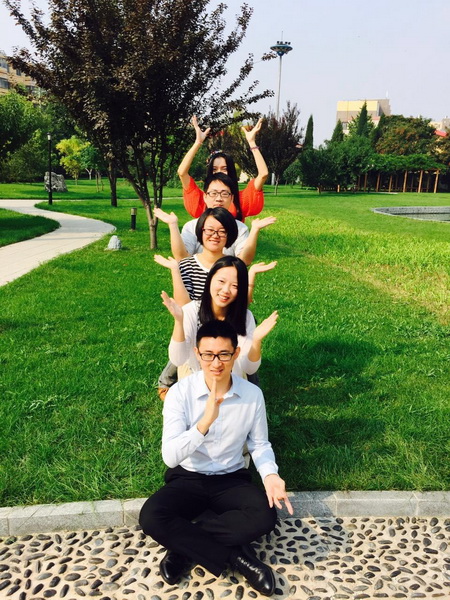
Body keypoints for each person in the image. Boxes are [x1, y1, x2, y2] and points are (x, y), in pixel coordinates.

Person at [139, 319, 293, 596]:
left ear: (235, 354)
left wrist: (270, 475)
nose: (216, 363)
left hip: (231, 477)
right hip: (188, 476)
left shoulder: (252, 395)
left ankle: (183, 546)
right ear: (197, 354)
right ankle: (240, 558)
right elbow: (170, 457)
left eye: (223, 354)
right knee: (151, 517)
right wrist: (204, 423)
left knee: (265, 517)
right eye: (208, 355)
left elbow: (259, 444)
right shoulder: (179, 393)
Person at [162, 256, 278, 380]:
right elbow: (178, 359)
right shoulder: (191, 311)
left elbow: (249, 368)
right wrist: (179, 322)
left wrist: (256, 341)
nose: (226, 290)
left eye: (235, 286)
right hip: (196, 377)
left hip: (231, 380)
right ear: (210, 279)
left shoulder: (245, 317)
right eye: (221, 281)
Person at [155, 172, 275, 266]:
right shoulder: (191, 226)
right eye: (213, 193)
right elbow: (182, 258)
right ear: (205, 197)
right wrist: (173, 225)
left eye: (224, 194)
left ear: (232, 198)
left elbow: (244, 261)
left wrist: (254, 231)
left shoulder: (240, 228)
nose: (219, 199)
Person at [177, 115, 269, 220]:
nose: (219, 172)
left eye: (224, 168)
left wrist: (252, 143)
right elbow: (182, 173)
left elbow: (263, 174)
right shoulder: (203, 200)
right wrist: (198, 142)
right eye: (214, 169)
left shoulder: (240, 200)